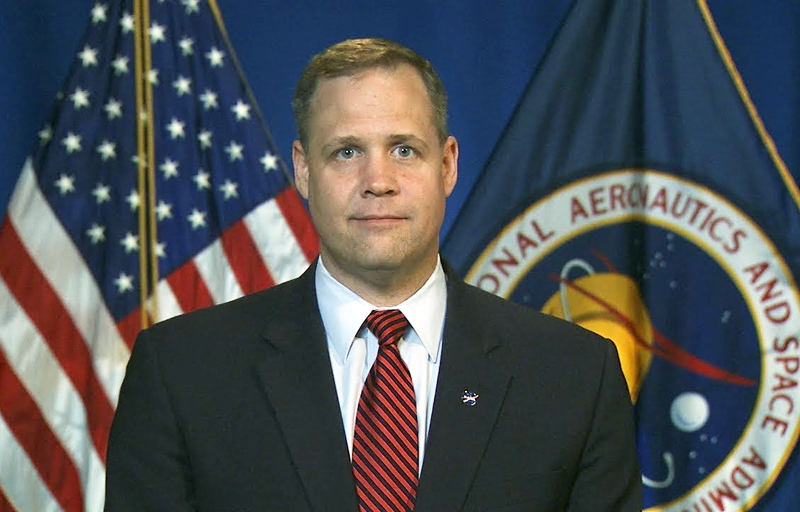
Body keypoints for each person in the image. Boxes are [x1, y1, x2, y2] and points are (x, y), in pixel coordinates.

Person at [105, 38, 642, 511]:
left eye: (403, 149)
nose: (377, 181)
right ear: (303, 168)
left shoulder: (575, 376)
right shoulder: (183, 372)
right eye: (346, 152)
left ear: (448, 165)